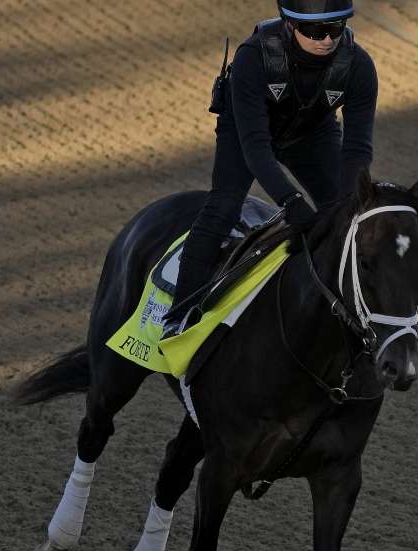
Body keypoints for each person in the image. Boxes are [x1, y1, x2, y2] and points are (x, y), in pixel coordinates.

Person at [162, 0, 378, 335]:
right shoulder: (252, 57)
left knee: (347, 216)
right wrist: (291, 202)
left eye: (336, 28)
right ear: (290, 26)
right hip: (246, 131)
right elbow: (256, 150)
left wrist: (349, 205)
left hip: (312, 132)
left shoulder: (359, 66)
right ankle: (179, 315)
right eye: (314, 30)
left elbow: (357, 149)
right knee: (223, 206)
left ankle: (352, 311)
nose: (327, 39)